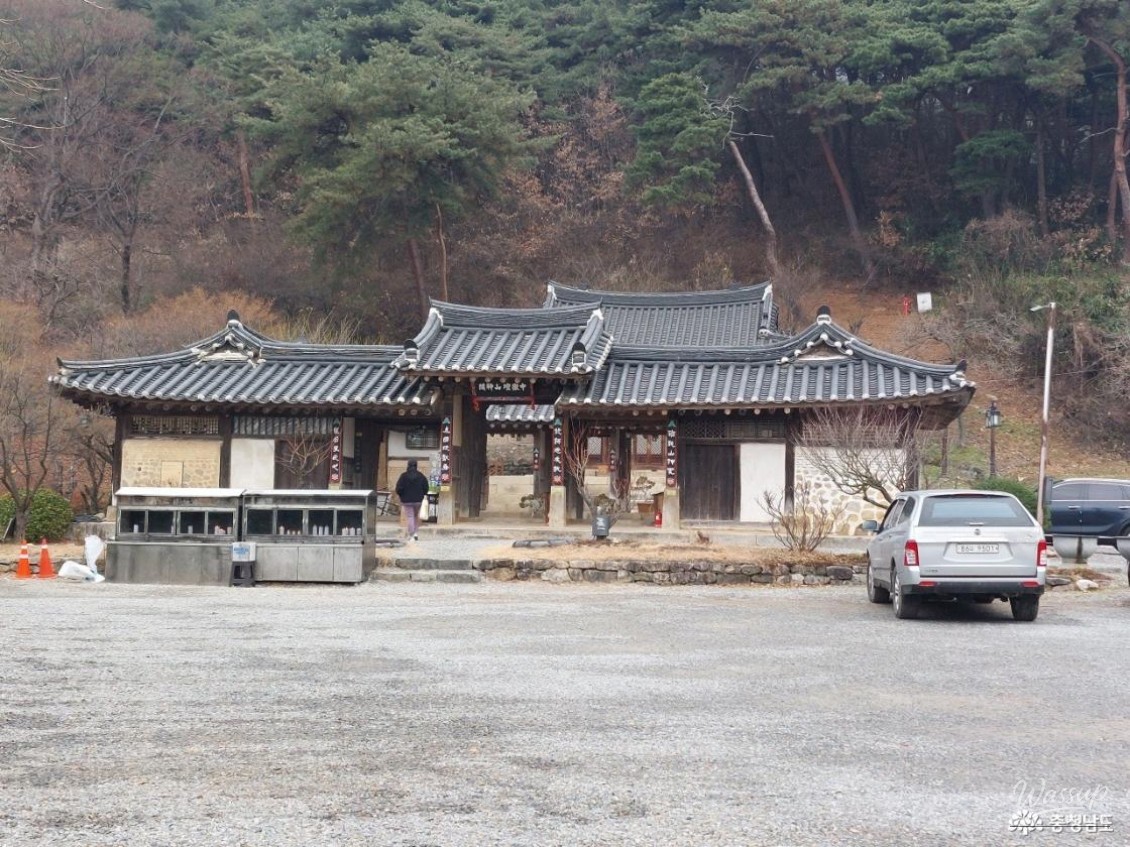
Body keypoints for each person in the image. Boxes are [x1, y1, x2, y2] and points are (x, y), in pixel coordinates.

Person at [394, 459, 429, 541]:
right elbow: (426, 487)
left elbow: (398, 488)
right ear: (416, 466)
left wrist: (401, 495)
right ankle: (415, 533)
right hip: (418, 500)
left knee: (410, 516)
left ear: (408, 465)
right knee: (415, 516)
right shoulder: (421, 476)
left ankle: (412, 534)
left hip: (406, 500)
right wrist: (422, 494)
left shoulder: (403, 476)